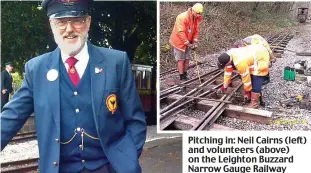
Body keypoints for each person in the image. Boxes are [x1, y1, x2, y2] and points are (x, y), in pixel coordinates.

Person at [1, 1, 146, 173]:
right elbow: (11, 116)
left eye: (76, 20)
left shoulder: (116, 62)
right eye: (61, 22)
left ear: (88, 22)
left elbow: (135, 120)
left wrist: (127, 159)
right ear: (52, 25)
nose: (69, 29)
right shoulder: (36, 69)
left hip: (109, 168)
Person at [169, 3, 204, 80]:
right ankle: (181, 76)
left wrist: (194, 42)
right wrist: (188, 43)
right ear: (193, 10)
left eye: (200, 14)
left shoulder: (196, 18)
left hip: (188, 41)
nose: (199, 15)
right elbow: (180, 32)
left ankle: (185, 74)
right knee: (181, 59)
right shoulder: (182, 17)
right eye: (197, 13)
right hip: (179, 42)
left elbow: (196, 31)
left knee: (187, 59)